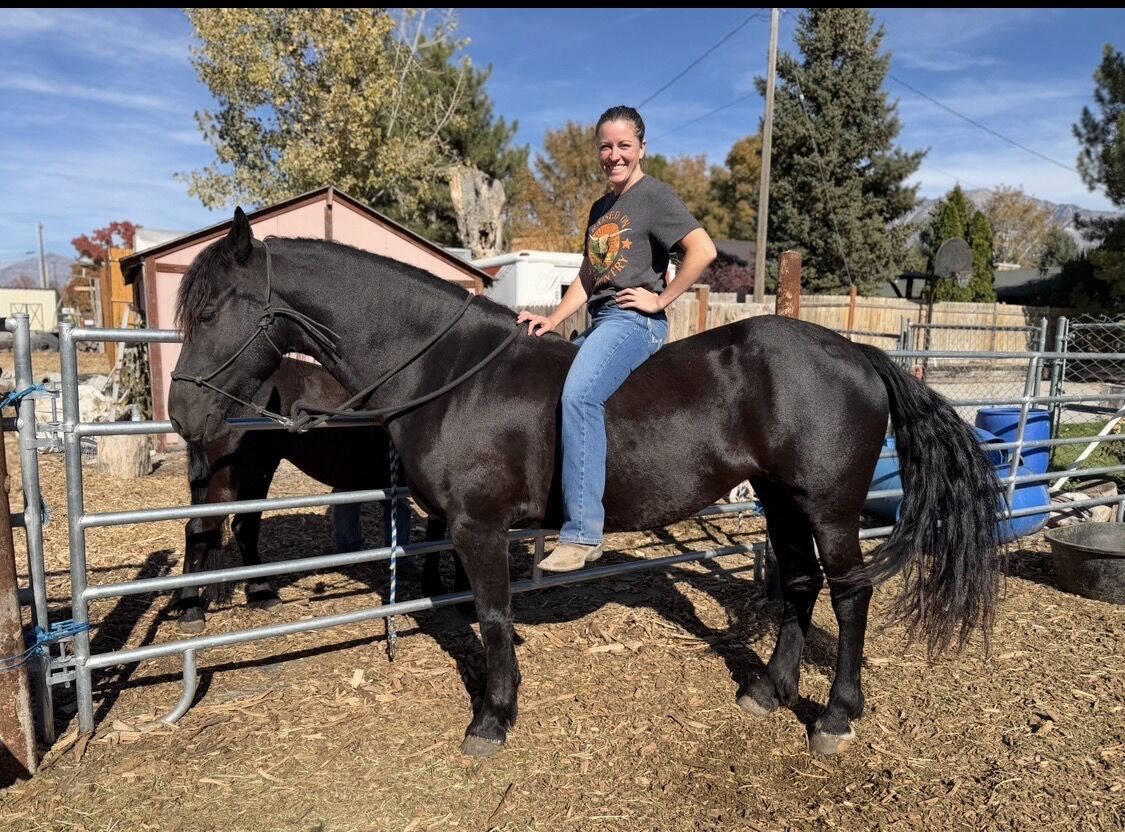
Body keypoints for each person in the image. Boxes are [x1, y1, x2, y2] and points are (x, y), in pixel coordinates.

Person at [516, 105, 717, 572]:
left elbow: (702, 250)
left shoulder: (654, 197)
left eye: (623, 145)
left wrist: (660, 299)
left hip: (633, 321)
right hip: (599, 320)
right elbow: (589, 275)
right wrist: (552, 320)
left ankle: (584, 533)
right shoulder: (600, 208)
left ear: (642, 148)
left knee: (581, 395)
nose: (614, 154)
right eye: (606, 146)